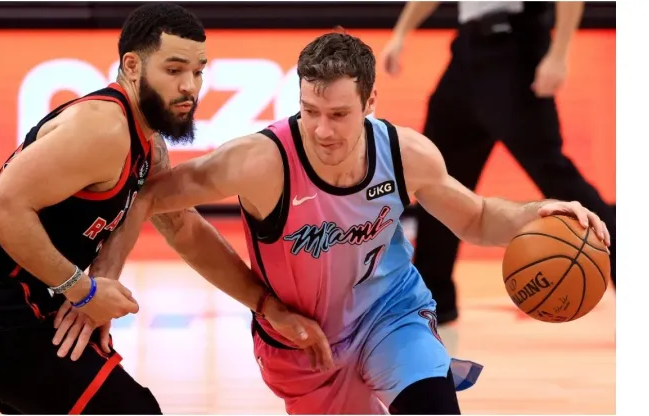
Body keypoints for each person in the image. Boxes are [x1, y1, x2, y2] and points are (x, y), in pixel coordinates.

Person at [92, 32, 611, 414]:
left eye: (339, 114)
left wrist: (531, 214)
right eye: (310, 110)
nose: (321, 129)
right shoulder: (259, 161)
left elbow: (474, 217)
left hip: (391, 315)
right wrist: (100, 279)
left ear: (370, 102)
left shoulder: (404, 152)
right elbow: (148, 196)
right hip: (301, 343)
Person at [0, 3, 331, 414]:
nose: (190, 87)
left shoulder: (149, 145)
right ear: (131, 65)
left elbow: (184, 230)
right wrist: (83, 289)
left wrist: (266, 305)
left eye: (198, 71)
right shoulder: (104, 127)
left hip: (19, 303)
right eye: (174, 69)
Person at [380, 1, 616, 329]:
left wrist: (560, 53)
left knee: (555, 174)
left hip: (516, 48)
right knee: (438, 178)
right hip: (467, 52)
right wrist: (401, 32)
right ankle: (434, 303)